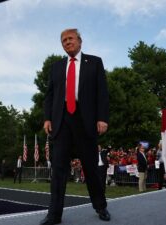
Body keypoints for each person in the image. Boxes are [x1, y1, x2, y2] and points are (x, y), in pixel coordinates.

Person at [41, 28, 110, 225]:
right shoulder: (56, 67)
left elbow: (102, 93)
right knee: (58, 169)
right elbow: (50, 95)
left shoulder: (94, 62)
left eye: (70, 38)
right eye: (63, 40)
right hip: (61, 120)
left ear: (80, 41)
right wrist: (47, 118)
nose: (67, 42)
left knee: (90, 168)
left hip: (85, 120)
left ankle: (100, 206)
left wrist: (102, 118)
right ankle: (54, 215)